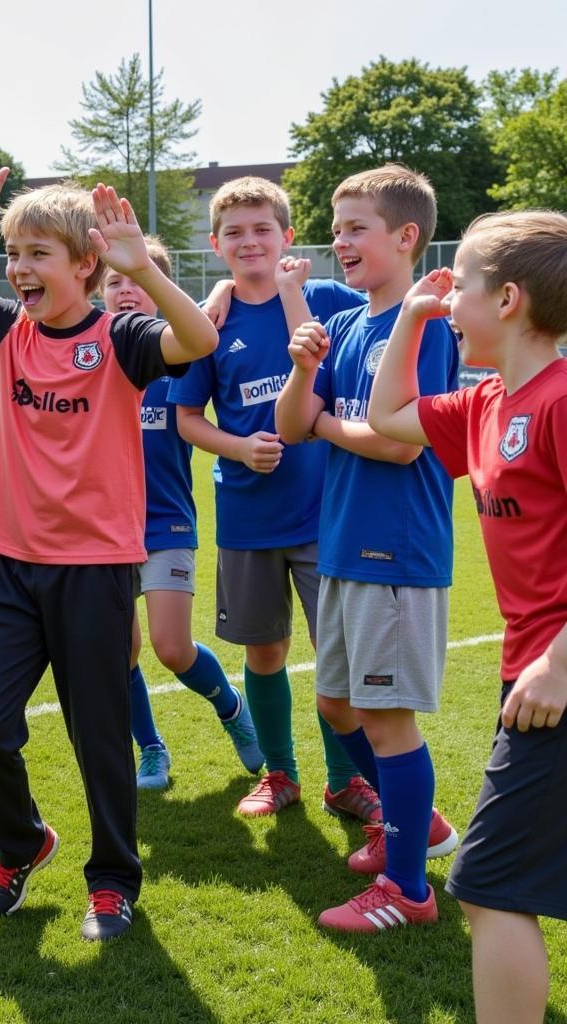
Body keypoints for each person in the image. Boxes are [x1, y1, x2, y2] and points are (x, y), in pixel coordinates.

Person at [0, 127, 217, 941]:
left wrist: (143, 268)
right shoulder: (6, 329)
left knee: (100, 739)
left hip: (99, 573)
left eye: (38, 253)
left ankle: (111, 881)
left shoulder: (122, 339)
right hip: (13, 569)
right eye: (13, 253)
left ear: (86, 266)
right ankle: (24, 843)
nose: (20, 269)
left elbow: (199, 342)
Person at [367, 211, 567, 1021]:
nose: (452, 298)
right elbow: (388, 418)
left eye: (465, 285)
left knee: (486, 884)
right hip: (530, 672)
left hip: (552, 680)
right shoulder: (486, 402)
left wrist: (560, 660)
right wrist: (413, 318)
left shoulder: (557, 401)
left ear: (510, 299)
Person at [274, 165, 460, 932]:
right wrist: (303, 371)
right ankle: (421, 827)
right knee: (335, 702)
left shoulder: (425, 328)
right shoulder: (348, 326)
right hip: (345, 543)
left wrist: (322, 423)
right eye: (337, 227)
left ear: (406, 236)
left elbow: (400, 446)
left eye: (356, 228)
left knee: (386, 719)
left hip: (396, 548)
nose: (339, 242)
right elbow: (290, 426)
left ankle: (409, 890)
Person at [169, 177, 376, 819]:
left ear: (287, 237)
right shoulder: (211, 324)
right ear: (215, 245)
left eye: (263, 229)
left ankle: (344, 780)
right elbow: (186, 417)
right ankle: (279, 772)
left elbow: (327, 359)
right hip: (248, 514)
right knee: (265, 650)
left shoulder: (329, 296)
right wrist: (236, 448)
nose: (249, 241)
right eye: (235, 232)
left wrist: (290, 294)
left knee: (337, 657)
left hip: (328, 514)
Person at [101, 237, 262, 791]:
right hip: (102, 531)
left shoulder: (180, 358)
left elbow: (205, 322)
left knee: (171, 648)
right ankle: (151, 750)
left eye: (136, 281)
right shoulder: (94, 357)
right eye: (113, 283)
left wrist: (217, 287)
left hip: (166, 521)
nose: (125, 291)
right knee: (119, 651)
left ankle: (231, 707)